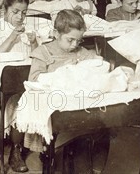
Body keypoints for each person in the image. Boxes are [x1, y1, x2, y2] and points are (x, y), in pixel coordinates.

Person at [28, 9, 109, 173]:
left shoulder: (82, 52)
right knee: (79, 138)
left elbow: (95, 70)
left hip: (79, 107)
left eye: (78, 41)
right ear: (56, 33)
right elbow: (34, 80)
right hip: (56, 109)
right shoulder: (43, 52)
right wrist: (62, 73)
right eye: (70, 40)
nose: (74, 45)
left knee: (103, 129)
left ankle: (94, 168)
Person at [0, 0, 38, 172]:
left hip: (25, 78)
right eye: (15, 12)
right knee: (19, 103)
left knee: (29, 98)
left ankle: (26, 146)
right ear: (4, 9)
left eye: (24, 12)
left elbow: (37, 56)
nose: (20, 17)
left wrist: (35, 42)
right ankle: (16, 150)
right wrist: (14, 35)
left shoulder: (28, 27)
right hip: (5, 82)